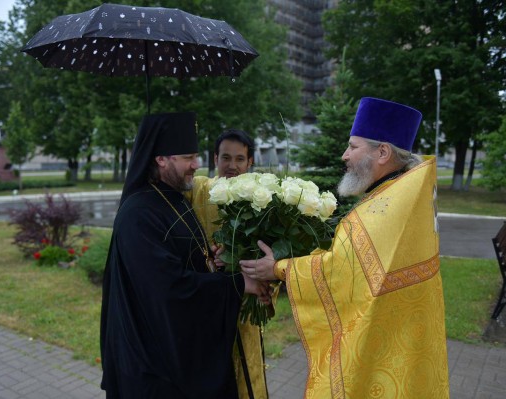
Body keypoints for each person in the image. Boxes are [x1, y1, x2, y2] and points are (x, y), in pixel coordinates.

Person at [240, 97, 450, 398]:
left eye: (353, 146)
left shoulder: (387, 207)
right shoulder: (404, 193)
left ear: (382, 152)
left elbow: (340, 272)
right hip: (402, 343)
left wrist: (277, 268)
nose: (344, 155)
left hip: (387, 346)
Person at [100, 112, 269, 399]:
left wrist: (213, 262)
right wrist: (239, 284)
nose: (196, 164)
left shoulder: (174, 198)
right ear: (160, 159)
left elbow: (188, 259)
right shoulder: (139, 214)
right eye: (187, 157)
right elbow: (169, 289)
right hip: (155, 369)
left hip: (178, 357)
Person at [185, 129, 273, 399]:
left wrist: (265, 289)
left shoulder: (263, 201)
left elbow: (272, 257)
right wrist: (207, 257)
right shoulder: (199, 190)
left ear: (250, 163)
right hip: (205, 308)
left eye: (239, 159)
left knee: (246, 380)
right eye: (225, 157)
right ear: (214, 159)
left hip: (245, 311)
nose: (232, 166)